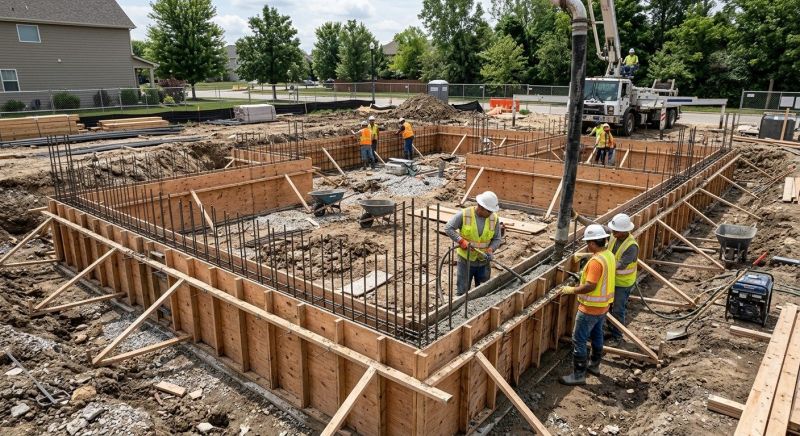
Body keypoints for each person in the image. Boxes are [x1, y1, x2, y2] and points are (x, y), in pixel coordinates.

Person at [560, 224, 616, 385]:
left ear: (592, 243)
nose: (587, 245)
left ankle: (578, 375)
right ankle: (594, 365)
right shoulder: (609, 255)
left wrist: (571, 290)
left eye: (588, 243)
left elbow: (590, 285)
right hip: (603, 307)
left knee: (579, 339)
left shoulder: (595, 262)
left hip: (589, 309)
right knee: (597, 335)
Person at [574, 212, 639, 346]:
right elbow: (596, 228)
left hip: (623, 283)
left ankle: (617, 336)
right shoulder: (615, 233)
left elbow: (619, 265)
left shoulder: (631, 246)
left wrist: (593, 266)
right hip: (611, 280)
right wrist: (578, 217)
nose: (613, 232)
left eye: (616, 231)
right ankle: (607, 329)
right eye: (613, 230)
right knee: (606, 307)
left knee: (618, 309)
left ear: (625, 231)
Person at [444, 191, 502, 296]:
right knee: (462, 291)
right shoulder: (465, 214)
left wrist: (490, 249)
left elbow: (497, 239)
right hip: (466, 261)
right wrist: (461, 241)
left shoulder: (494, 218)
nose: (491, 214)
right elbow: (448, 228)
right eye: (488, 211)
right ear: (480, 206)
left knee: (483, 292)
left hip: (484, 261)